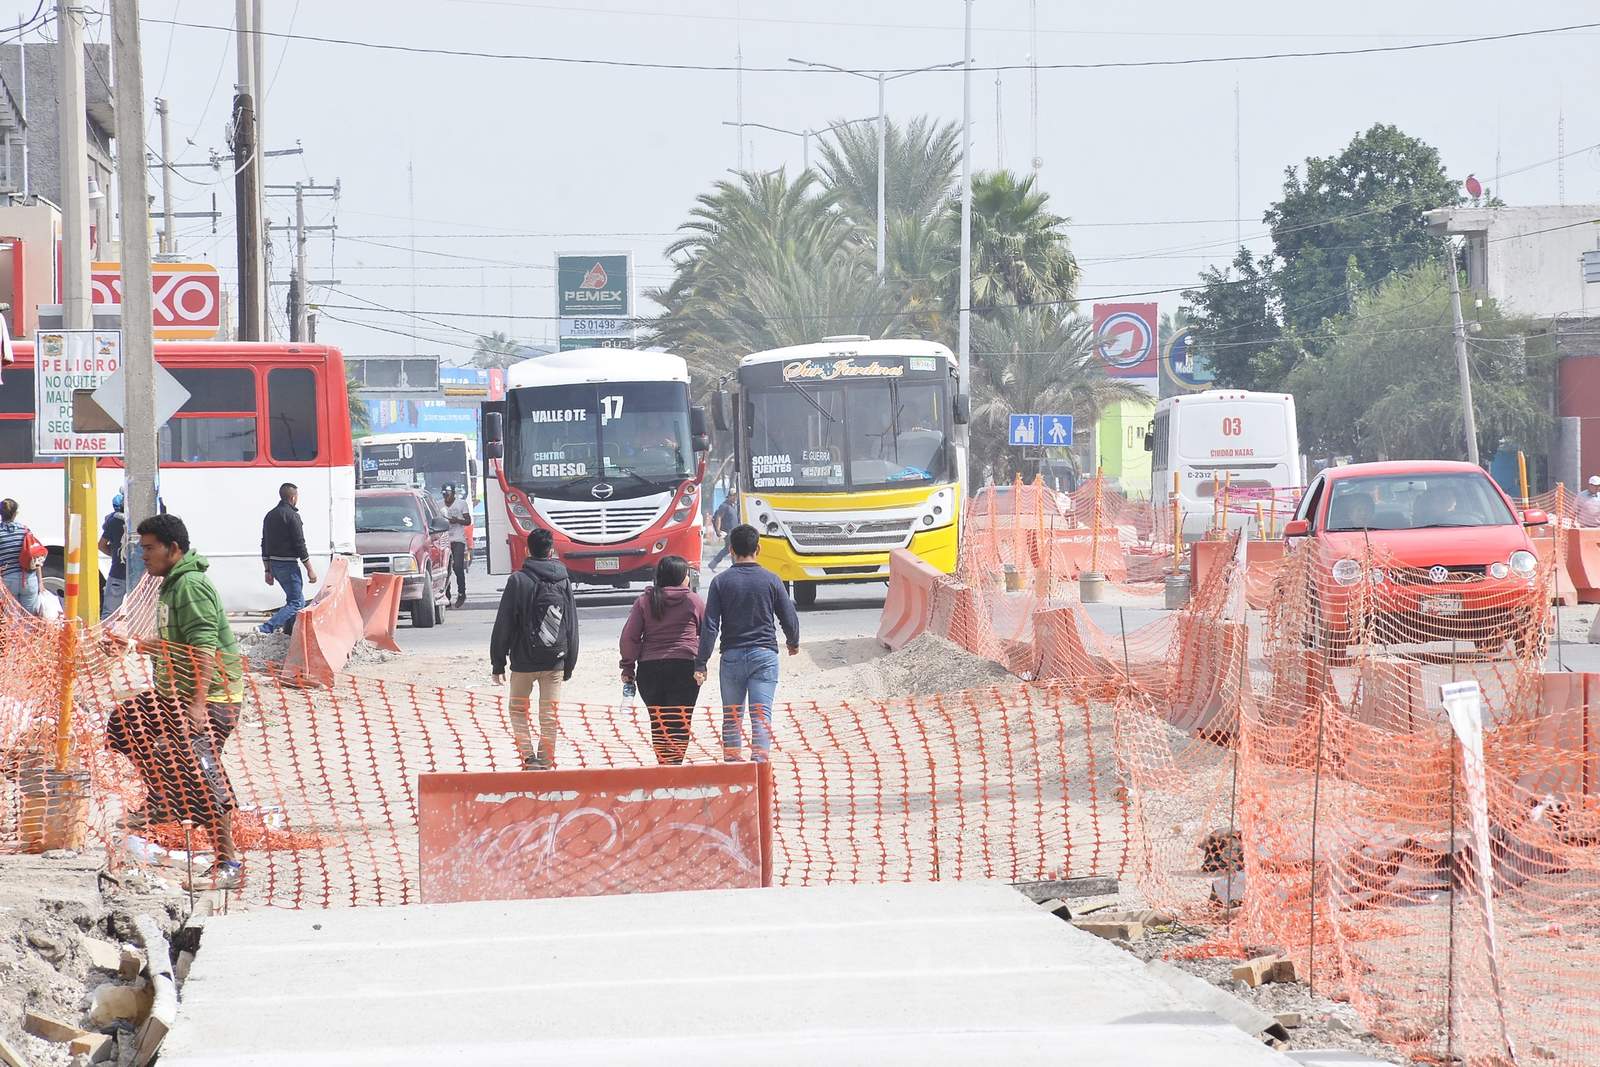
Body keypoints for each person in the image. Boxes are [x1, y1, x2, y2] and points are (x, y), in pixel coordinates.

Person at [133, 513, 245, 890]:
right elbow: (174, 646)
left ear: (173, 548)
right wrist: (133, 645)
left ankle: (227, 863)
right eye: (142, 548)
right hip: (179, 695)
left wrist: (197, 706)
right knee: (126, 722)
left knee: (198, 772)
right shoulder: (170, 584)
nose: (143, 556)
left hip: (212, 697)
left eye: (149, 548)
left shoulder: (191, 586)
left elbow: (202, 649)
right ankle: (163, 799)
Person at [694, 524, 799, 763]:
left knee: (732, 717)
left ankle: (733, 771)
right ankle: (760, 769)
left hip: (731, 658)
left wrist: (701, 662)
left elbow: (710, 626)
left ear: (731, 549)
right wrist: (793, 642)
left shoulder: (721, 582)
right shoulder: (772, 580)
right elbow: (789, 617)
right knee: (761, 716)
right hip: (764, 656)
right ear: (758, 549)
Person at [491, 527, 579, 770]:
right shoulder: (563, 580)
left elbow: (504, 622)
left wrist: (498, 662)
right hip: (555, 660)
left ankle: (529, 758)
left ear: (528, 549)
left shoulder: (518, 580)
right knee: (549, 716)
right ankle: (546, 760)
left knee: (518, 710)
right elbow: (571, 622)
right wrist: (569, 663)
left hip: (523, 661)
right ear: (552, 551)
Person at [619, 555, 705, 764]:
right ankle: (674, 767)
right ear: (681, 577)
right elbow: (707, 632)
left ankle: (664, 766)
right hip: (684, 668)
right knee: (680, 721)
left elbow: (629, 637)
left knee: (658, 722)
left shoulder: (644, 601)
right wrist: (701, 662)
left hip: (650, 671)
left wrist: (628, 668)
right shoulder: (693, 600)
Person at [260, 483, 317, 634]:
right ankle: (266, 628)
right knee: (297, 602)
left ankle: (289, 631)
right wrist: (310, 569)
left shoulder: (269, 515)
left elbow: (264, 543)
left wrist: (267, 570)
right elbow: (300, 544)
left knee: (295, 599)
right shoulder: (293, 516)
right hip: (288, 566)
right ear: (293, 498)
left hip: (274, 565)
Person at [0, 498, 43, 615]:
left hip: (7, 581)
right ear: (15, 513)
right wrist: (40, 582)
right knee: (29, 621)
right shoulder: (24, 530)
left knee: (12, 622)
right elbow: (35, 555)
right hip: (28, 580)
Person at [442, 485, 471, 608]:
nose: (446, 497)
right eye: (444, 494)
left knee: (458, 567)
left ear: (453, 493)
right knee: (445, 569)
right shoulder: (439, 505)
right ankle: (446, 595)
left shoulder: (461, 503)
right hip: (445, 540)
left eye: (448, 494)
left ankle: (461, 593)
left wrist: (457, 520)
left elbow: (468, 521)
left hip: (458, 539)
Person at [99, 492, 127, 618]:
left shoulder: (113, 521)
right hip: (139, 574)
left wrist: (116, 554)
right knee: (140, 613)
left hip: (117, 573)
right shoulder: (141, 520)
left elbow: (101, 545)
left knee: (110, 614)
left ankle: (105, 637)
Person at [706, 492, 738, 571]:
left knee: (727, 549)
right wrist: (717, 530)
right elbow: (719, 518)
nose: (735, 498)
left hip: (734, 531)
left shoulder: (732, 506)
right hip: (728, 532)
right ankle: (735, 566)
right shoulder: (724, 506)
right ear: (729, 497)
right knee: (733, 548)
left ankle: (713, 564)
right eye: (733, 496)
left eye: (735, 497)